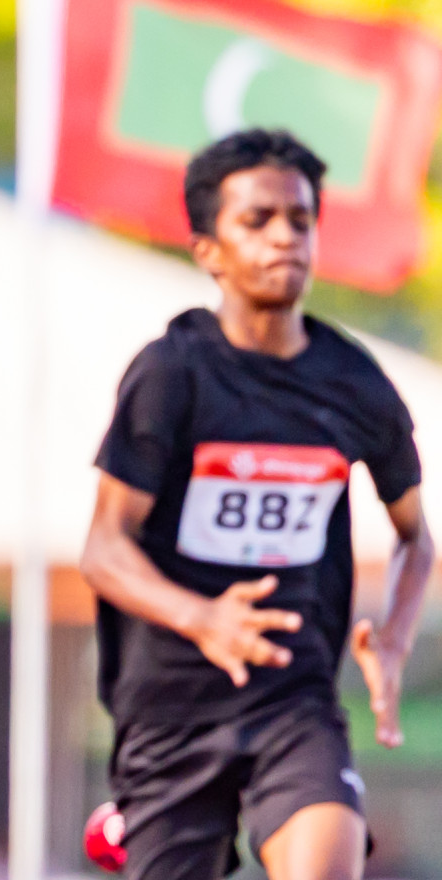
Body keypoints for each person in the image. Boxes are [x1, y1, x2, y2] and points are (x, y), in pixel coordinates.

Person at [80, 128, 435, 880]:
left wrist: (397, 636)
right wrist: (203, 617)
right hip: (169, 709)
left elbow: (415, 537)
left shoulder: (355, 382)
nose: (285, 238)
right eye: (258, 221)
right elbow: (105, 547)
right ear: (208, 248)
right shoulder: (172, 373)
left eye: (301, 220)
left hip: (292, 699)